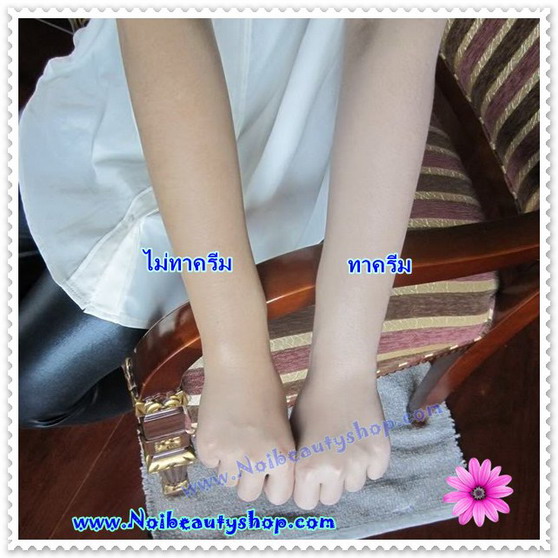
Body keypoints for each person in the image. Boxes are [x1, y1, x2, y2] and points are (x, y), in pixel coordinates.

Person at [19, 17, 447, 509]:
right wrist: (234, 358)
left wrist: (345, 370)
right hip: (118, 96)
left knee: (27, 393)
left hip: (283, 142)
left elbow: (389, 30)